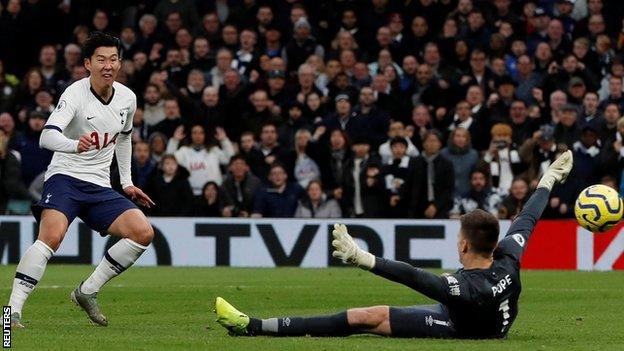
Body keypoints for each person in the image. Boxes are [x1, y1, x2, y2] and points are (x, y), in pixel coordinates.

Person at [214, 150, 574, 339]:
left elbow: (415, 277)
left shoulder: (465, 289)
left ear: (464, 245)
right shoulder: (509, 255)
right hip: (487, 319)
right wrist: (547, 181)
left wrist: (363, 258)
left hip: (463, 327)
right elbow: (527, 218)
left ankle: (254, 326)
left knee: (363, 317)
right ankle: (256, 325)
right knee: (368, 316)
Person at [8, 32, 155, 328]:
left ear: (120, 63)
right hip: (66, 177)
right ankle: (11, 312)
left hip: (100, 185)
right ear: (88, 63)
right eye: (101, 59)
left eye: (114, 59)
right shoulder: (75, 93)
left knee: (142, 232)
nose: (108, 65)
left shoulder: (127, 98)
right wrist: (74, 145)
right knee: (51, 237)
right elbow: (46, 136)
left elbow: (124, 138)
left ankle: (87, 291)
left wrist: (126, 182)